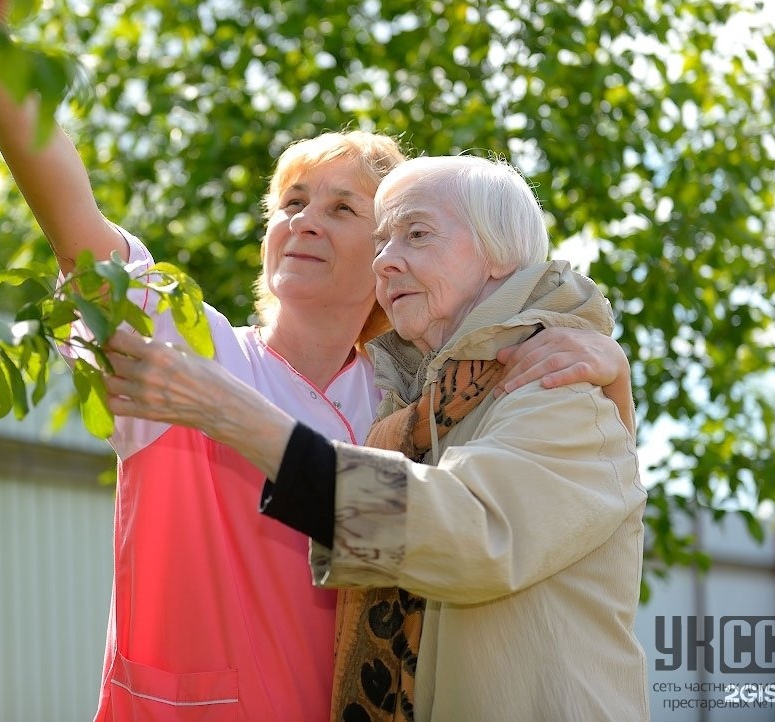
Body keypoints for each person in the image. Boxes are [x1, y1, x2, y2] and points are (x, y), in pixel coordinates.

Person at [0, 0, 639, 719]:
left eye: (344, 211)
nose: (304, 222)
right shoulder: (190, 347)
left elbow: (507, 502)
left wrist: (614, 375)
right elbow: (73, 221)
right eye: (291, 204)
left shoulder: (407, 400)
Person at [102, 154, 649, 722]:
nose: (384, 262)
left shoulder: (557, 392)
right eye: (382, 242)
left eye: (415, 234)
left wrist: (233, 412)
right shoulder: (424, 412)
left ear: (499, 255)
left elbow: (466, 533)